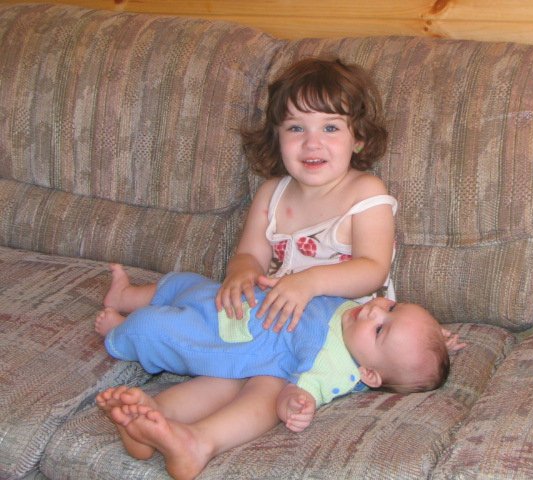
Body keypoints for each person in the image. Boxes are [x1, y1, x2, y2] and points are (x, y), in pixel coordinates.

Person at [95, 265, 463, 480]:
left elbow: (299, 391)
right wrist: (436, 338)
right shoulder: (357, 320)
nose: (374, 311)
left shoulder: (333, 364)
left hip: (231, 338)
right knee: (182, 283)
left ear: (368, 374)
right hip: (240, 300)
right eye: (393, 307)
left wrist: (296, 402)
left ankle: (120, 337)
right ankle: (125, 298)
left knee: (155, 329)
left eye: (380, 329)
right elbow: (408, 341)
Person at [215, 56, 396, 333]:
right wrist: (242, 272)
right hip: (277, 321)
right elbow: (250, 254)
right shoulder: (270, 194)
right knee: (187, 293)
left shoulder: (366, 193)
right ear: (277, 138)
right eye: (296, 128)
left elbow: (373, 269)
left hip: (345, 328)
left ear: (358, 139)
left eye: (330, 128)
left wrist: (310, 282)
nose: (312, 143)